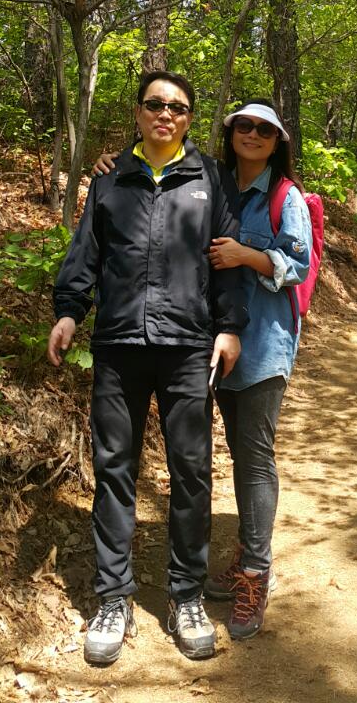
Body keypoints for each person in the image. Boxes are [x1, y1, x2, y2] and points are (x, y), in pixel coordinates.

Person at [93, 96, 312, 642]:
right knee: (233, 451)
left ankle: (255, 572)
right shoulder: (213, 181)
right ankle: (244, 557)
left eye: (265, 130)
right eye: (244, 126)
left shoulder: (284, 197)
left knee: (253, 456)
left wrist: (248, 256)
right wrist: (113, 164)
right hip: (205, 346)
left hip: (259, 346)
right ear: (230, 133)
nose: (253, 135)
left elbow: (299, 264)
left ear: (278, 142)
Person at [48, 71, 249, 666]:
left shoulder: (210, 177)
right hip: (118, 346)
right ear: (138, 112)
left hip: (188, 346)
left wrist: (230, 326)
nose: (166, 113)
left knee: (191, 472)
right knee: (115, 470)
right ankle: (113, 597)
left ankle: (186, 595)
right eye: (156, 104)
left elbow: (227, 259)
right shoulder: (111, 179)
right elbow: (86, 252)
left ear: (189, 118)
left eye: (178, 107)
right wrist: (68, 312)